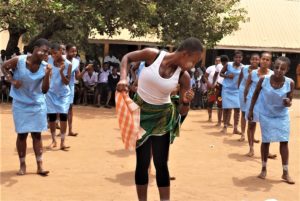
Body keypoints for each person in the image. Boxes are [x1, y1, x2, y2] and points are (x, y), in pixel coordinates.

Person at [117, 37, 202, 201]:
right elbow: (126, 58)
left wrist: (185, 101)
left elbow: (183, 112)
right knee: (142, 164)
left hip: (162, 118)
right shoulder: (152, 56)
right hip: (141, 115)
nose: (195, 66)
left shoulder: (184, 77)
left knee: (161, 163)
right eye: (194, 61)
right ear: (185, 54)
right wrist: (123, 78)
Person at [1, 38, 51, 176]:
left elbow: (45, 90)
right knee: (22, 135)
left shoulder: (45, 67)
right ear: (35, 48)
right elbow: (3, 67)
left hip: (37, 103)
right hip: (20, 103)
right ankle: (22, 164)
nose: (45, 54)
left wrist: (47, 74)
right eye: (43, 50)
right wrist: (12, 80)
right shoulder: (19, 60)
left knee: (37, 134)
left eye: (47, 53)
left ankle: (40, 165)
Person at [248, 56, 295, 184]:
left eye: (282, 69)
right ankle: (263, 168)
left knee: (284, 141)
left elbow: (290, 101)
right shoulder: (263, 80)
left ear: (287, 70)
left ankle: (285, 172)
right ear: (273, 67)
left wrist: (288, 102)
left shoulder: (290, 82)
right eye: (276, 67)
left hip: (282, 115)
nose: (279, 70)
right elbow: (255, 95)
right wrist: (251, 110)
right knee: (266, 140)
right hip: (266, 113)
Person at [244, 52, 273, 156]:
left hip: (266, 104)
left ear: (270, 62)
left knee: (266, 127)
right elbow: (247, 87)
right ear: (260, 60)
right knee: (251, 125)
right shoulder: (252, 73)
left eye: (267, 59)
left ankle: (266, 150)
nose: (265, 61)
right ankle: (251, 149)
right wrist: (245, 100)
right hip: (252, 103)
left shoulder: (272, 75)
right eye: (263, 59)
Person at [46, 43, 72, 150]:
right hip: (51, 93)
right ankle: (53, 141)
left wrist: (61, 72)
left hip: (63, 94)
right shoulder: (49, 60)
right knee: (51, 117)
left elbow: (66, 82)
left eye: (55, 53)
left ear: (61, 51)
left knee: (63, 116)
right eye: (51, 54)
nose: (53, 56)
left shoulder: (68, 64)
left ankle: (62, 142)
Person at [65, 44, 93, 136]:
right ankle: (59, 127)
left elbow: (77, 76)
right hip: (60, 86)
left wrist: (85, 69)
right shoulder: (61, 59)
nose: (74, 53)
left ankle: (70, 130)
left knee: (70, 108)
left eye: (75, 51)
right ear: (66, 51)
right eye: (72, 51)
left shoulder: (76, 62)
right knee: (60, 109)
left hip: (70, 86)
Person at [237, 53, 260, 141]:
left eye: (256, 59)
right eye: (253, 59)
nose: (254, 61)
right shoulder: (244, 68)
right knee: (244, 113)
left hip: (254, 93)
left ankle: (252, 135)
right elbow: (240, 79)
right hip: (243, 91)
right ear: (250, 60)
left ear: (259, 60)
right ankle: (243, 134)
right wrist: (239, 89)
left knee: (254, 114)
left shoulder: (260, 70)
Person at [220, 51, 243, 134]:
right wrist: (227, 76)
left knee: (237, 108)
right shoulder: (228, 65)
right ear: (233, 58)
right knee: (226, 108)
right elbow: (220, 73)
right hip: (226, 89)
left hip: (237, 90)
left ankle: (235, 128)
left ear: (242, 58)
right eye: (236, 57)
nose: (238, 59)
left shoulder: (243, 67)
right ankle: (225, 126)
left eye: (239, 57)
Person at [203, 56, 221, 121]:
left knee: (220, 102)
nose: (218, 62)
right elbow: (205, 77)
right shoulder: (210, 68)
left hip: (220, 88)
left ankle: (221, 119)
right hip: (211, 88)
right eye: (216, 60)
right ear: (215, 61)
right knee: (210, 102)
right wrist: (209, 84)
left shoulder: (223, 68)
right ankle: (210, 117)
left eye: (219, 61)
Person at [213, 61, 224, 127]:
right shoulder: (219, 66)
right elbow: (215, 75)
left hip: (228, 89)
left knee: (228, 107)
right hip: (219, 86)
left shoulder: (231, 66)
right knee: (220, 105)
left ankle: (226, 122)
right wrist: (213, 83)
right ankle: (219, 121)